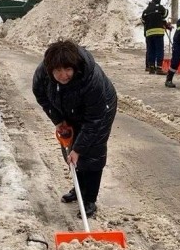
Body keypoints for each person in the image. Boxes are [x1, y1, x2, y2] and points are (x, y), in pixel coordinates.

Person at [32, 39, 117, 218]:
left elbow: (94, 121)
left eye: (68, 69)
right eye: (58, 71)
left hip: (100, 110)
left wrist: (79, 149)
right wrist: (59, 120)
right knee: (70, 149)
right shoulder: (42, 75)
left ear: (75, 67)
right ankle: (79, 188)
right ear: (50, 69)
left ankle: (89, 199)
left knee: (92, 151)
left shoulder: (91, 80)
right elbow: (41, 96)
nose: (63, 75)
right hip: (67, 109)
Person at [141, 0, 170, 74]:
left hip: (149, 33)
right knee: (159, 49)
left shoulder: (146, 10)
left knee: (151, 50)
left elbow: (143, 20)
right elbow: (165, 14)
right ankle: (159, 68)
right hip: (158, 32)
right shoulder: (160, 7)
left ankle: (151, 68)